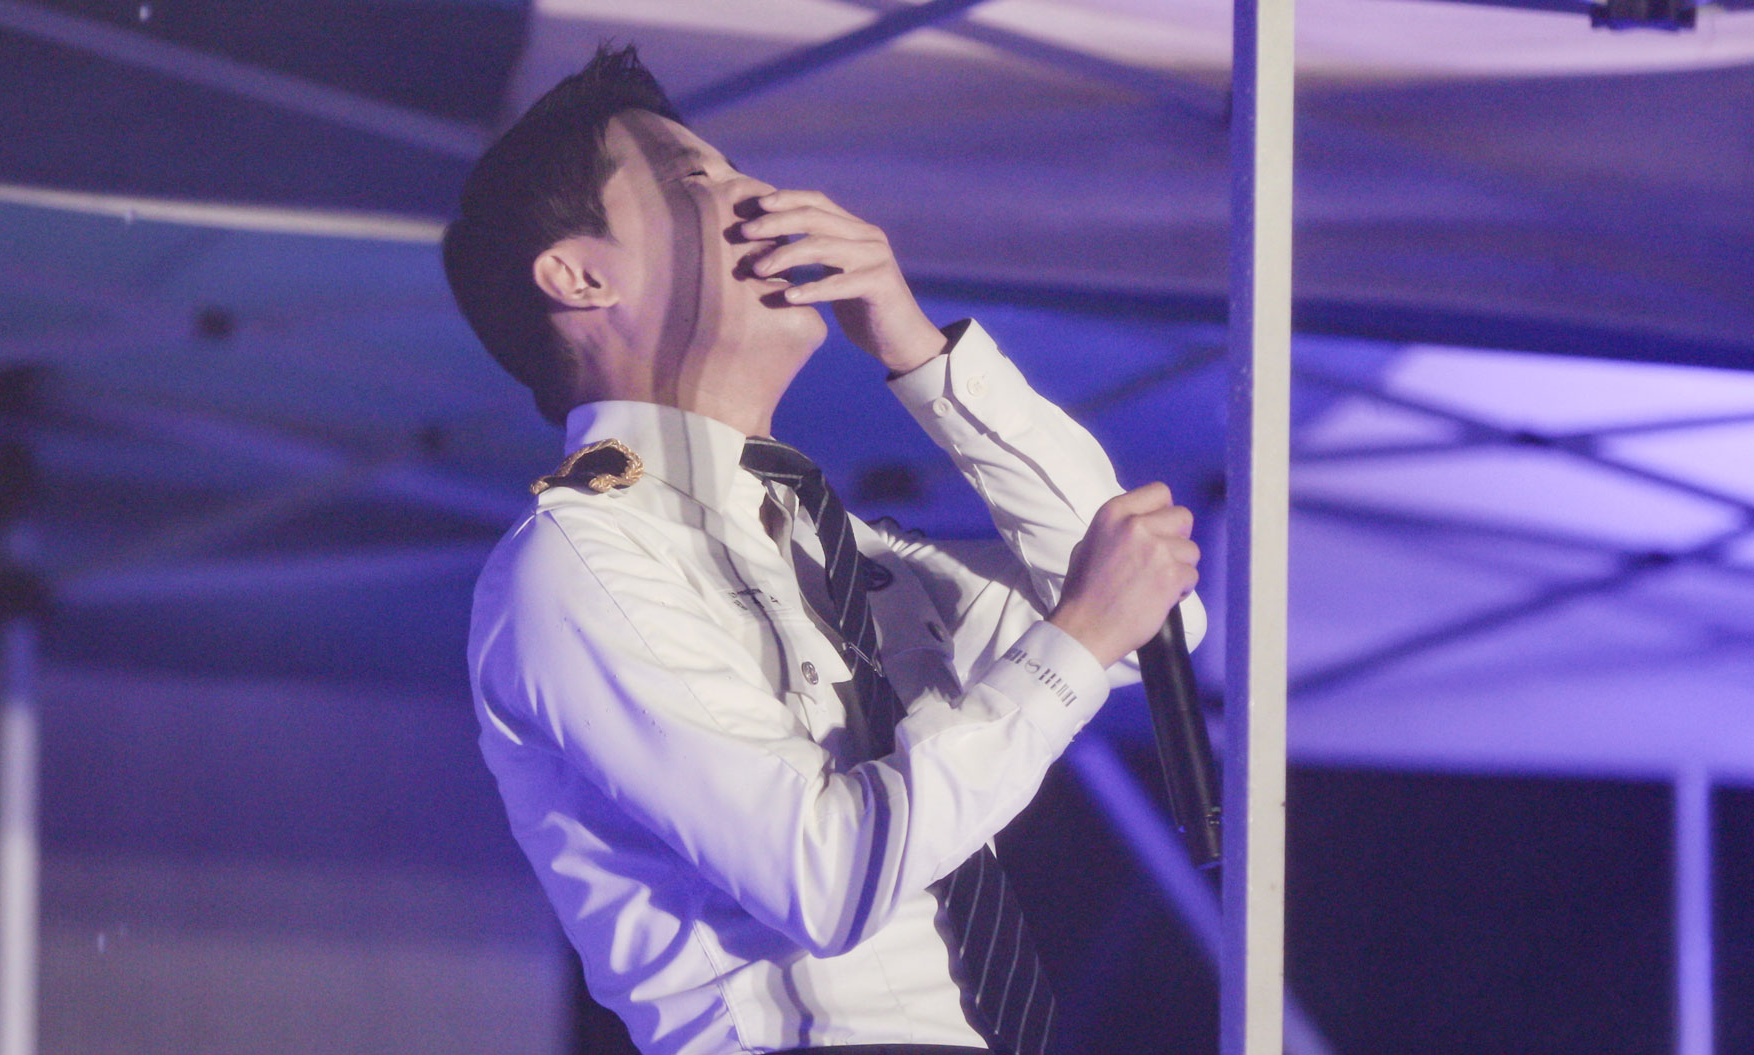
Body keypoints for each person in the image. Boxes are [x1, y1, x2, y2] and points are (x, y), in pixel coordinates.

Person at [443, 46, 1204, 1055]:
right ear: (580, 275)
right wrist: (1077, 638)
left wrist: (919, 349)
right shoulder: (579, 558)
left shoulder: (830, 546)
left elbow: (1152, 617)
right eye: (698, 180)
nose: (764, 201)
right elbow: (826, 876)